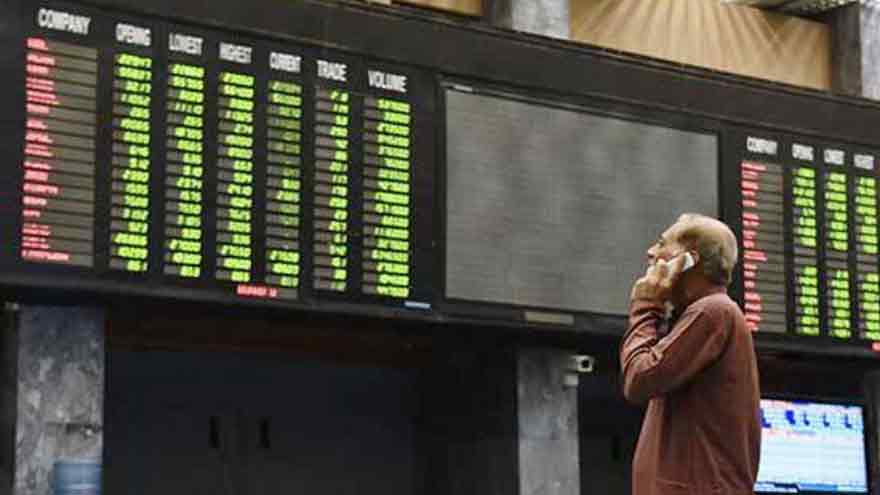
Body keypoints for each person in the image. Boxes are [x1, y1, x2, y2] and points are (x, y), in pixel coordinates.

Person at [620, 213, 761, 495]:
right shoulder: (703, 314)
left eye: (662, 243)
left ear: (688, 259)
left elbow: (639, 379)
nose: (651, 252)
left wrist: (645, 306)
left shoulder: (713, 311)